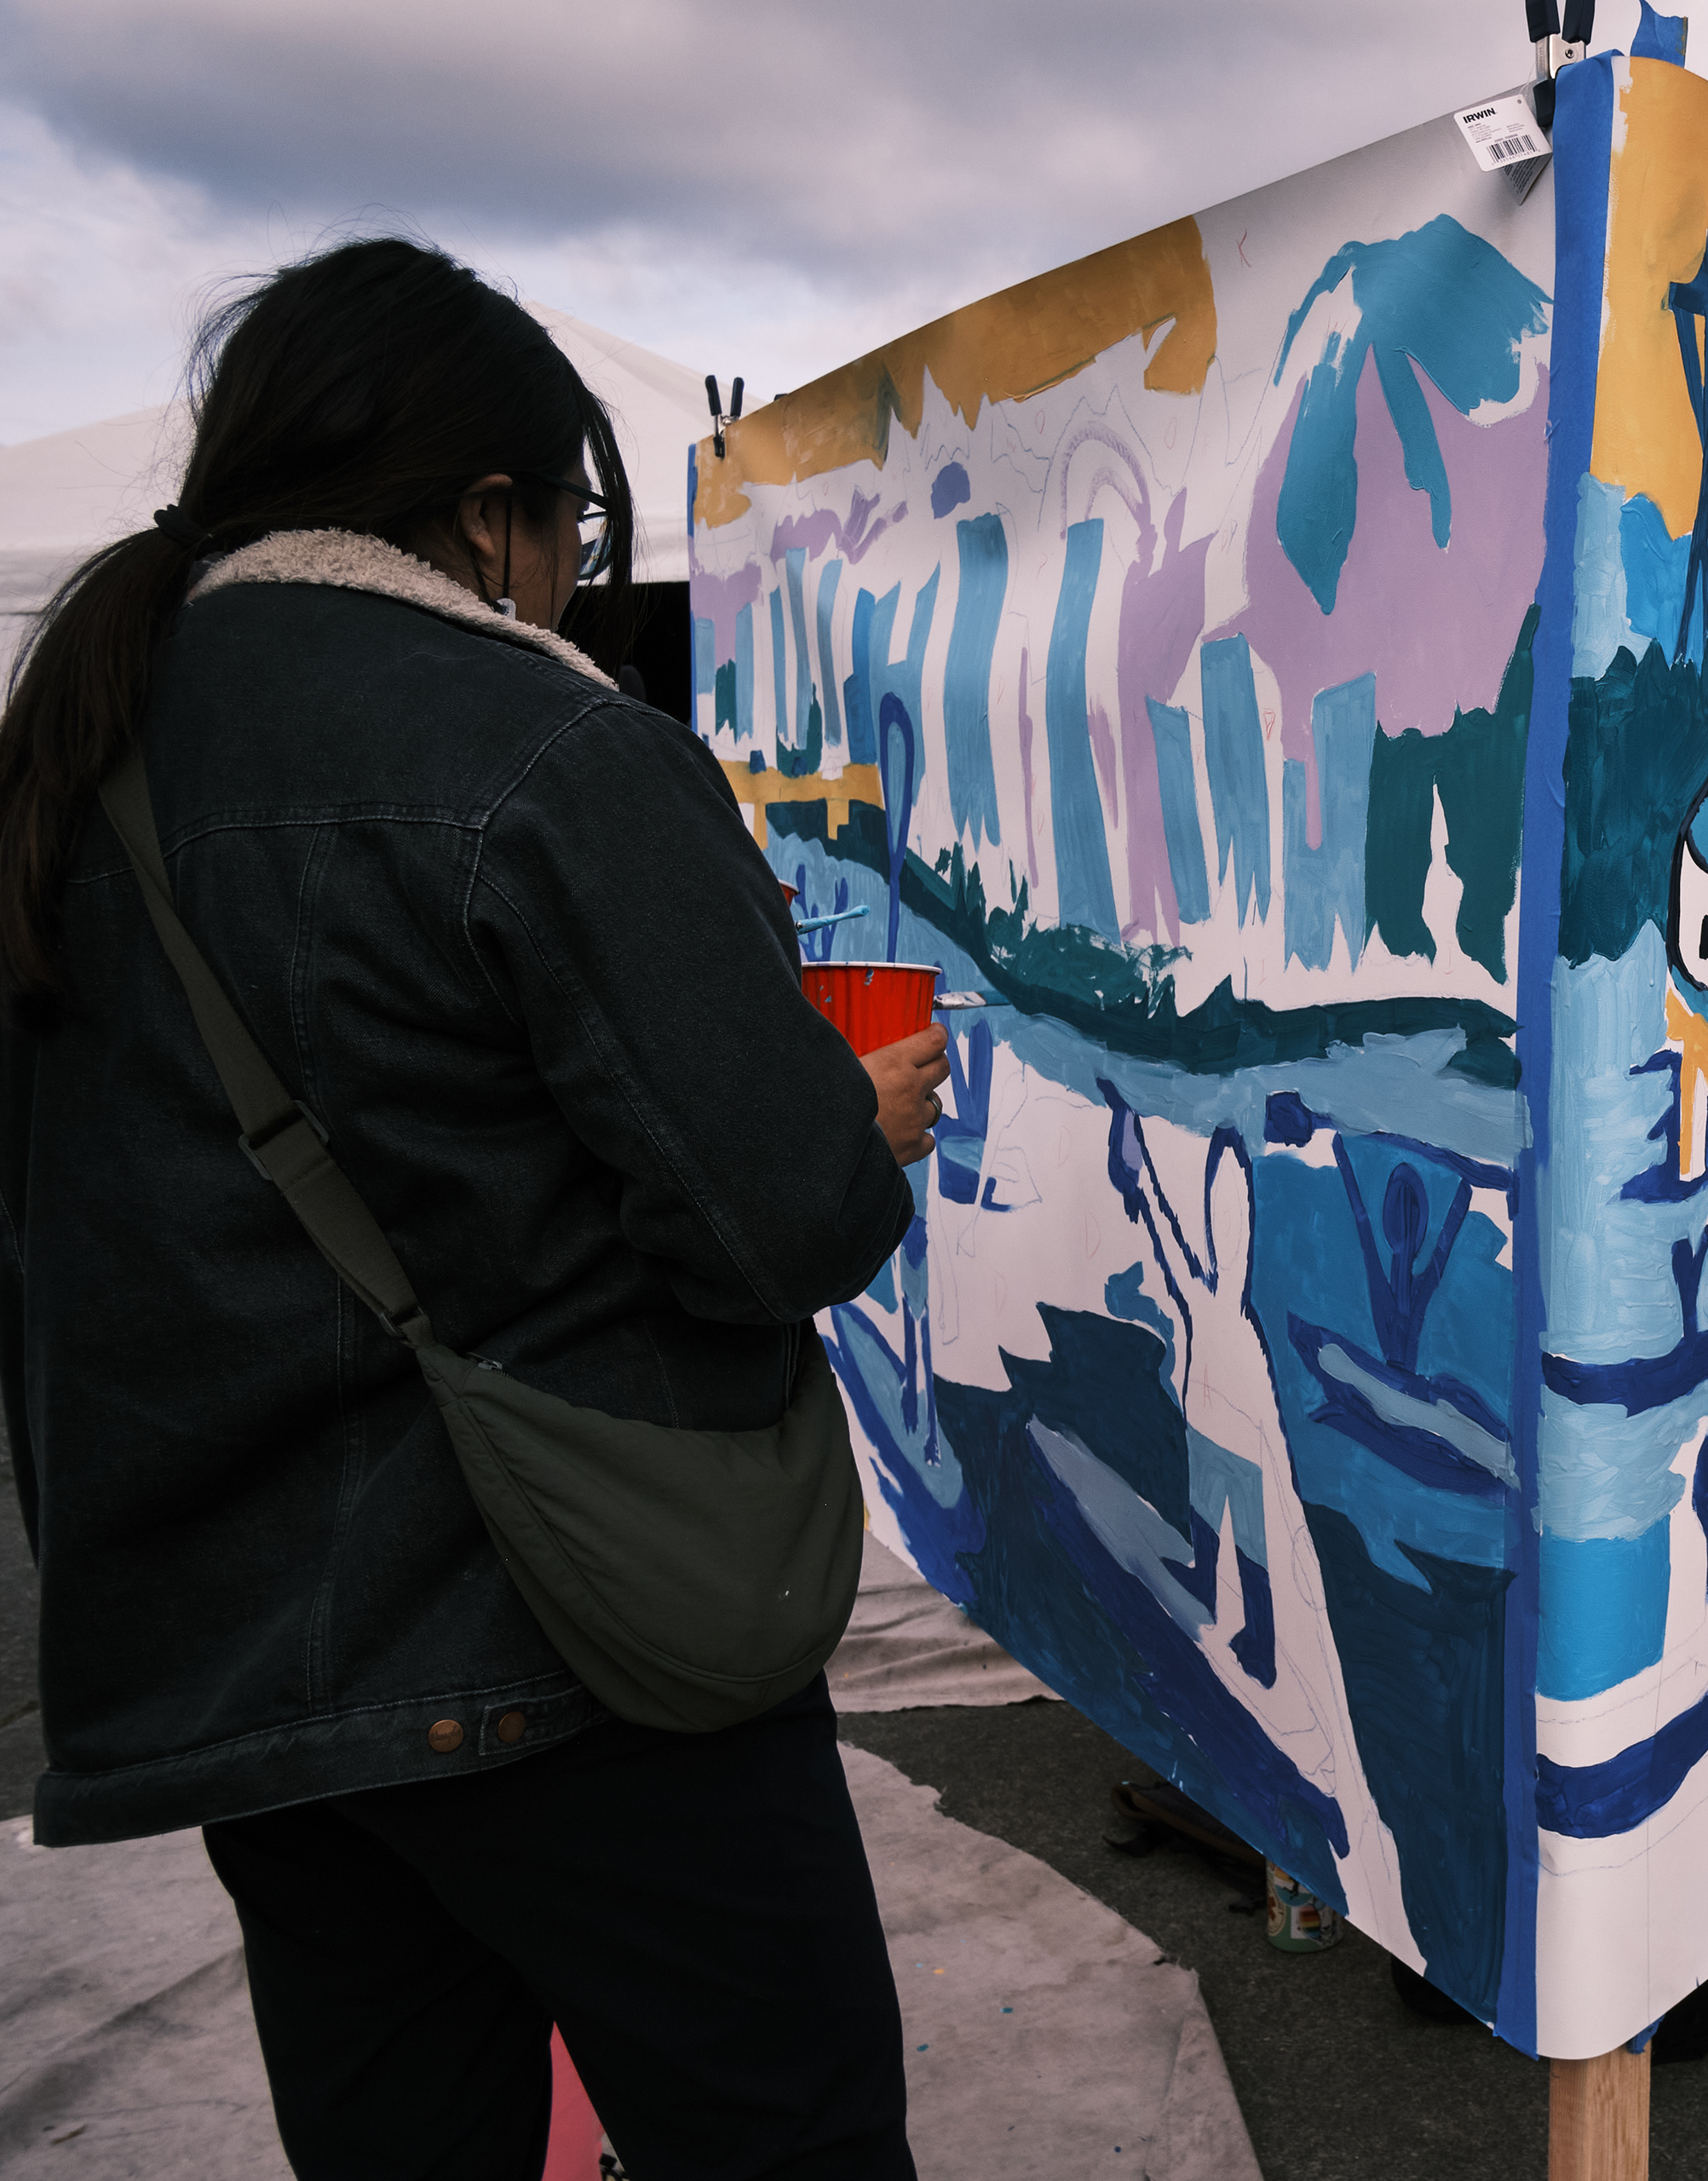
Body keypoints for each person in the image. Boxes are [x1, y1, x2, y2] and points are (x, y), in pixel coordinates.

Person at [0, 239, 950, 2177]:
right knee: (793, 2138)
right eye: (571, 530)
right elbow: (780, 1219)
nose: (572, 582)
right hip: (569, 1649)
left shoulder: (84, 750)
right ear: (487, 508)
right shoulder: (540, 744)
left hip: (236, 1669)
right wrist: (850, 1120)